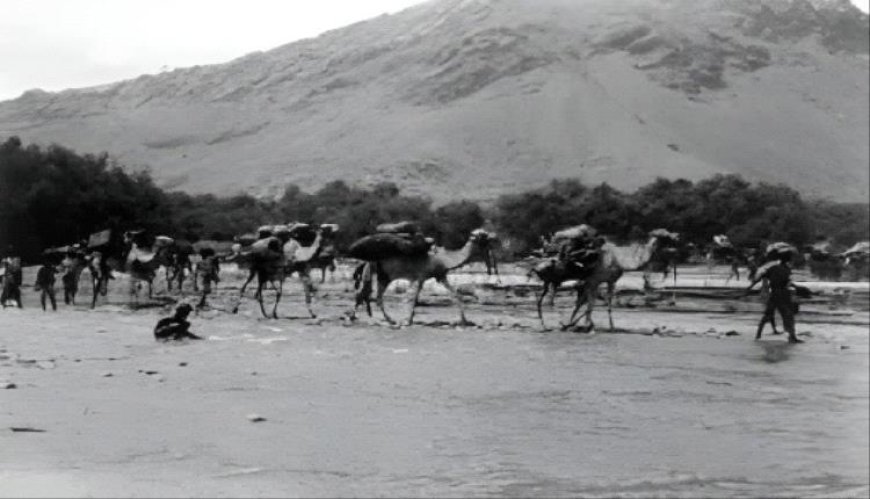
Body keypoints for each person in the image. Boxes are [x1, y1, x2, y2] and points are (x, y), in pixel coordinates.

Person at [746, 251, 803, 343]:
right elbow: (789, 283)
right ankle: (792, 337)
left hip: (775, 294)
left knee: (767, 315)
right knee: (788, 316)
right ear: (787, 260)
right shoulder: (786, 270)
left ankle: (758, 335)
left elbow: (760, 277)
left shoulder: (773, 268)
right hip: (784, 294)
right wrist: (797, 289)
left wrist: (749, 287)